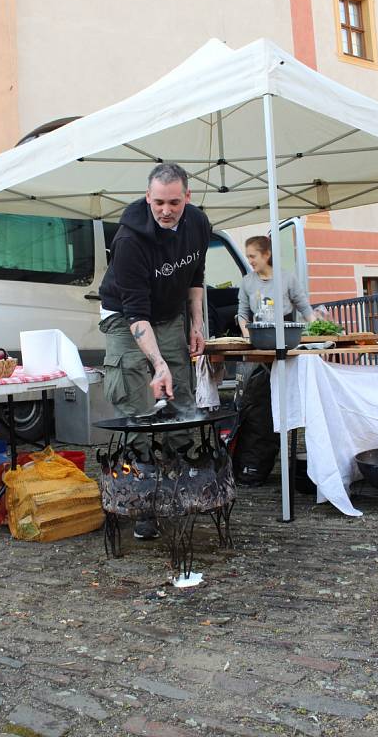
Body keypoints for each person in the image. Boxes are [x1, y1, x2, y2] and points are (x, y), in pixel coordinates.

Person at [98, 163, 212, 538]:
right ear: (148, 197)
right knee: (139, 403)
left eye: (174, 202)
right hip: (126, 317)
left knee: (181, 398)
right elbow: (136, 314)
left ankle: (183, 486)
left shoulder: (197, 223)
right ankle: (143, 500)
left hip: (169, 313)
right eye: (159, 202)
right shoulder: (130, 239)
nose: (166, 210)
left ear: (187, 198)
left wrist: (196, 325)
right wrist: (156, 363)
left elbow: (195, 277)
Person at [234, 235, 315, 486]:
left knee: (287, 399)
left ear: (266, 255)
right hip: (260, 345)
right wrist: (247, 334)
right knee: (260, 405)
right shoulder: (248, 282)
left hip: (285, 346)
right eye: (247, 256)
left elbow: (304, 308)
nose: (249, 261)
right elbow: (242, 313)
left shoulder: (287, 278)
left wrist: (317, 330)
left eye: (252, 256)